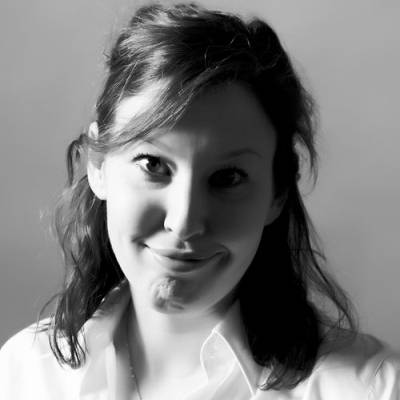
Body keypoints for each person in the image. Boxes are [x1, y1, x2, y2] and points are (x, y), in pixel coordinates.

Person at [0, 2, 399, 399]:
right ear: (98, 165)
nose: (184, 221)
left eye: (228, 178)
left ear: (277, 193)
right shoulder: (24, 374)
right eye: (153, 164)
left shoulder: (371, 390)